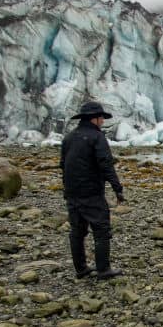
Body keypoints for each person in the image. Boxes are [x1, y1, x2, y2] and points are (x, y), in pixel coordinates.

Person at [60, 101, 125, 280]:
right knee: (101, 230)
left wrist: (67, 188)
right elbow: (106, 164)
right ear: (94, 119)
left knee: (77, 231)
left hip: (73, 193)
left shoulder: (69, 137)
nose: (103, 121)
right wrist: (117, 188)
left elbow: (63, 165)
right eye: (101, 118)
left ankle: (81, 269)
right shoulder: (97, 138)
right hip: (92, 193)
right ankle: (103, 270)